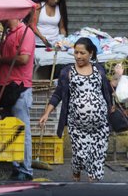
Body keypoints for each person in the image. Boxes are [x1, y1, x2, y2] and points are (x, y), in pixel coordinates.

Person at [39, 37, 113, 182]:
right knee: (80, 157)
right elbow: (58, 94)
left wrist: (117, 77)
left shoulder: (99, 69)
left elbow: (107, 90)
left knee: (96, 161)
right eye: (76, 52)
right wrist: (47, 113)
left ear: (90, 53)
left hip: (100, 126)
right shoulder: (67, 72)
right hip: (77, 127)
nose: (78, 56)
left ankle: (93, 187)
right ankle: (76, 175)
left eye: (82, 53)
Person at [0, 18, 35, 181]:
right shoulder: (9, 34)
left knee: (22, 129)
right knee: (10, 129)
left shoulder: (25, 33)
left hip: (19, 86)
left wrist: (1, 59)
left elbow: (23, 59)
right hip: (5, 86)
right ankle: (15, 165)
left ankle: (26, 168)